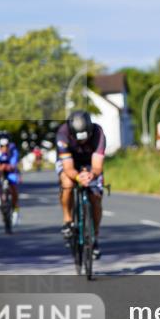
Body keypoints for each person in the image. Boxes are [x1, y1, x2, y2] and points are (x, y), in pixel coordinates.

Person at [56, 111, 107, 259]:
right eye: (79, 139)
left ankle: (94, 237)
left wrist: (92, 175)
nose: (83, 142)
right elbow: (68, 168)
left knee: (96, 197)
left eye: (86, 138)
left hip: (90, 162)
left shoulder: (98, 133)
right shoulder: (62, 133)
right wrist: (78, 177)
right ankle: (67, 220)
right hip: (70, 162)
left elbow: (97, 166)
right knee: (67, 183)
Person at [0, 131, 20, 221]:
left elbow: (14, 161)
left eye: (6, 146)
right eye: (2, 146)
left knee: (14, 187)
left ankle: (15, 209)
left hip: (10, 170)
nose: (4, 148)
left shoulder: (13, 149)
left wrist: (10, 166)